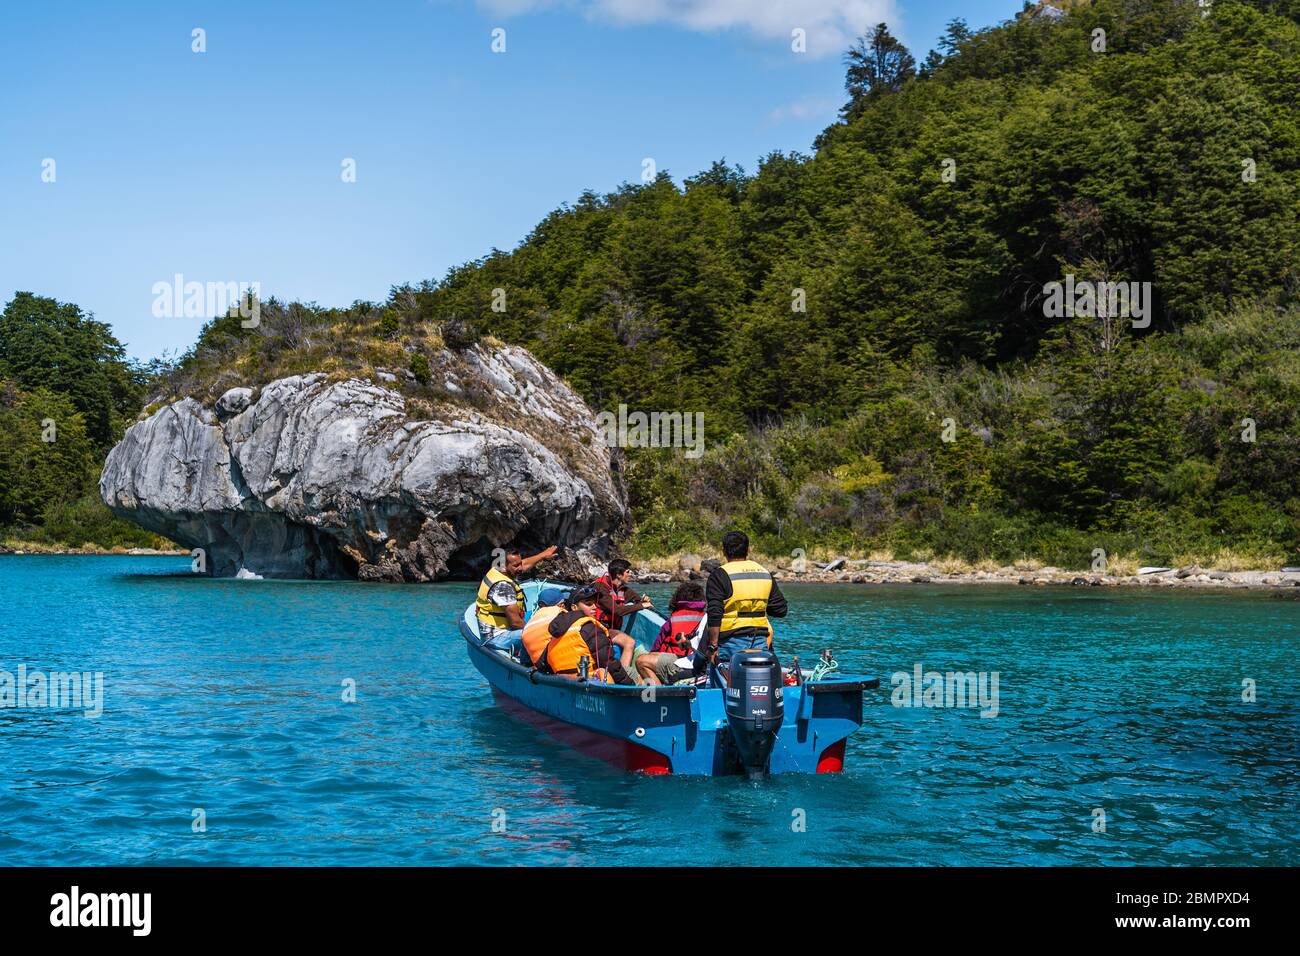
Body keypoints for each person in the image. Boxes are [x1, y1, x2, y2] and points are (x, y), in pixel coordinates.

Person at [698, 531, 788, 671]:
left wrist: (712, 646)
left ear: (724, 551)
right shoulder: (764, 573)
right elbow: (781, 610)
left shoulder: (719, 575)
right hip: (760, 640)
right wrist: (758, 604)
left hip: (730, 641)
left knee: (725, 683)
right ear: (748, 549)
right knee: (758, 680)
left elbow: (715, 613)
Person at [537, 585, 637, 685]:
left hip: (566, 684)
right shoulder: (590, 629)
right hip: (592, 684)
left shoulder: (557, 630)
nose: (594, 607)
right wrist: (630, 686)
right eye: (589, 604)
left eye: (594, 603)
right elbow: (609, 664)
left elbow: (542, 665)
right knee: (639, 678)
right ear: (574, 607)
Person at [475, 545, 558, 646]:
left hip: (502, 628)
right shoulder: (503, 587)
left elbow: (525, 563)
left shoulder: (498, 569)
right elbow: (515, 623)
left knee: (541, 617)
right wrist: (536, 630)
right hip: (496, 636)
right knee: (542, 634)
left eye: (520, 563)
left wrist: (543, 555)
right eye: (516, 565)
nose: (521, 568)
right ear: (504, 566)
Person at [636, 581, 706, 686]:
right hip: (696, 661)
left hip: (681, 663)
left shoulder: (674, 619)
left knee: (641, 661)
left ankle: (658, 694)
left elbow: (657, 646)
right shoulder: (705, 617)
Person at [591, 559, 653, 633]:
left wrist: (643, 601)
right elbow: (617, 610)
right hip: (597, 629)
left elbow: (638, 599)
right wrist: (642, 605)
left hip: (613, 629)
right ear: (618, 575)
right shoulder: (600, 587)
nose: (630, 574)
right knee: (630, 642)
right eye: (627, 572)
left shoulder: (623, 589)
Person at [521, 587, 568, 665]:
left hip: (529, 664)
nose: (564, 606)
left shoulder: (529, 620)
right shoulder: (560, 619)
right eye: (562, 604)